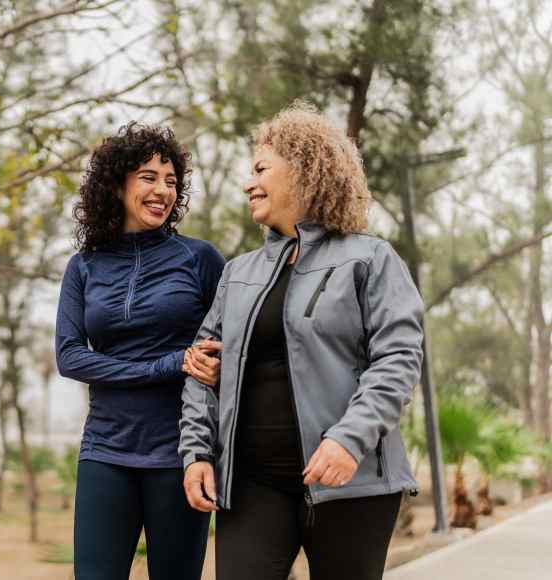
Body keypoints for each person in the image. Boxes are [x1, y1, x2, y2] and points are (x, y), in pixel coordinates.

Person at [179, 102, 423, 580]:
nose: (248, 183)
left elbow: (397, 359)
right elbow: (200, 367)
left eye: (261, 169)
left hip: (350, 482)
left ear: (305, 170)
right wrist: (197, 453)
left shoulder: (369, 260)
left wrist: (348, 440)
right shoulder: (239, 273)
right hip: (252, 485)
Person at [56, 122, 225, 580]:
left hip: (180, 453)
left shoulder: (201, 260)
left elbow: (224, 350)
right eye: (148, 177)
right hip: (105, 448)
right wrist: (171, 364)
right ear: (117, 184)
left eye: (171, 181)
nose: (162, 191)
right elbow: (69, 356)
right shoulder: (85, 266)